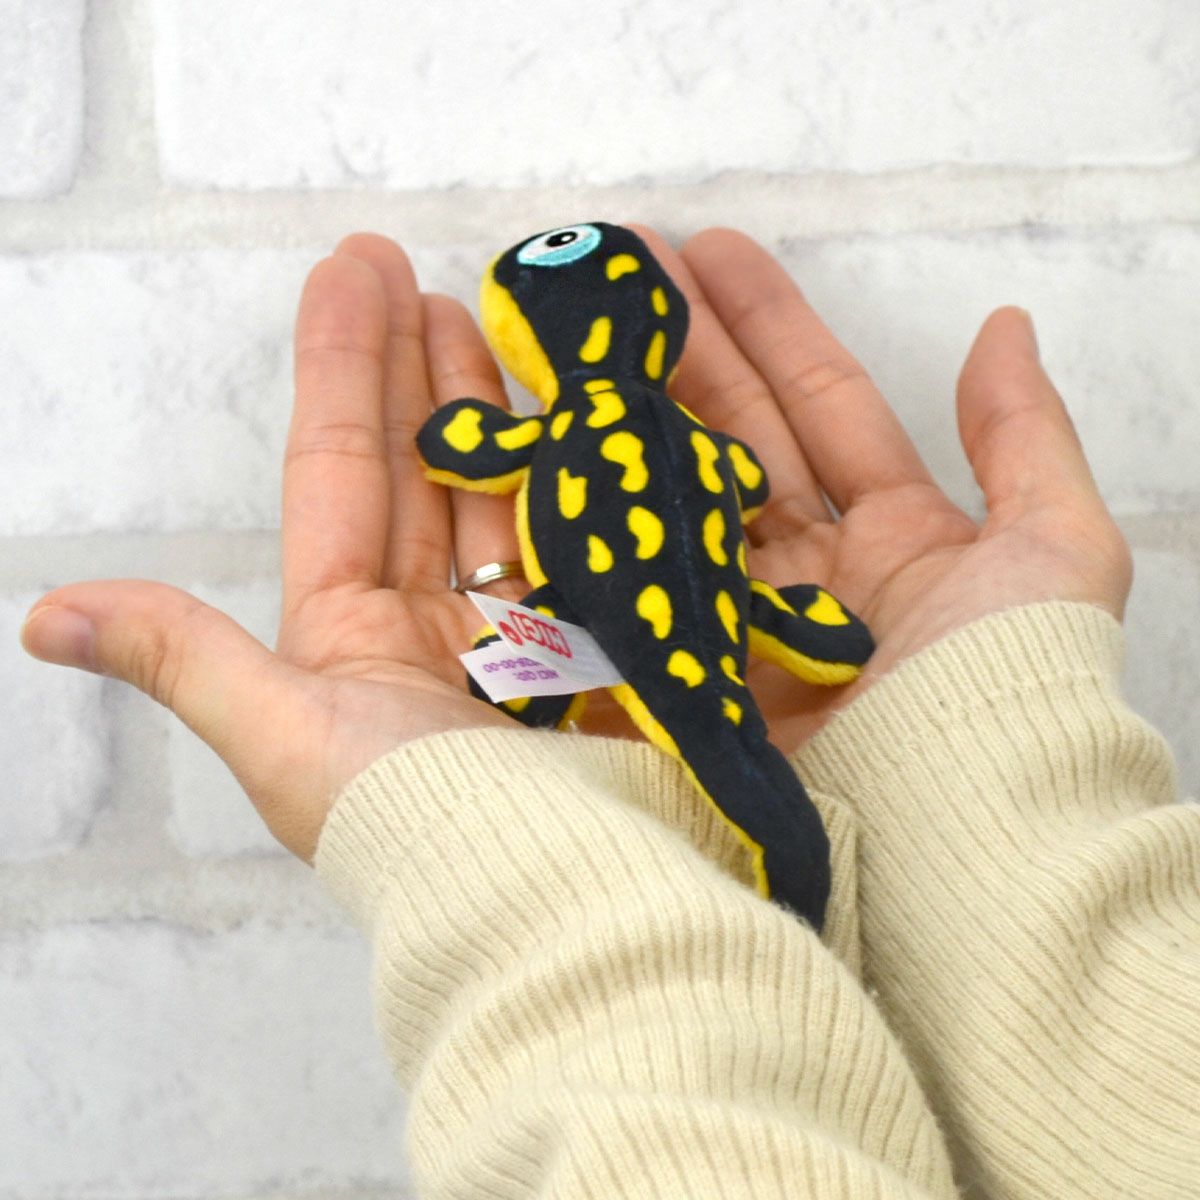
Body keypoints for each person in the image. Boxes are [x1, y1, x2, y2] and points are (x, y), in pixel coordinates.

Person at [20, 228, 1199, 1198]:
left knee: (594, 659)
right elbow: (744, 480)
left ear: (529, 342)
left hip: (610, 625)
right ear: (660, 332)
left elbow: (462, 446)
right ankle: (786, 647)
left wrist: (461, 449)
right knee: (722, 652)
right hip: (724, 614)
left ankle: (554, 701)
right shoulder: (696, 439)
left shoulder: (559, 433)